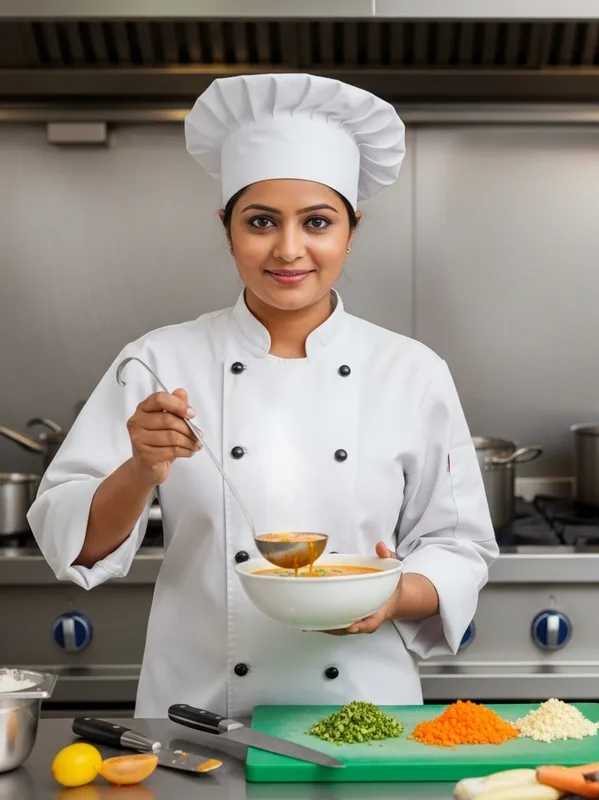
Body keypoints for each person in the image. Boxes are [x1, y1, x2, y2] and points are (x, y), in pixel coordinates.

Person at [28, 72, 498, 719]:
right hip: (195, 713)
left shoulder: (410, 371)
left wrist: (393, 596)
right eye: (260, 221)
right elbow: (69, 544)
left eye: (317, 221)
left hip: (364, 712)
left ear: (351, 229)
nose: (289, 249)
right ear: (227, 228)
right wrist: (140, 471)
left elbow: (458, 545)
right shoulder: (160, 361)